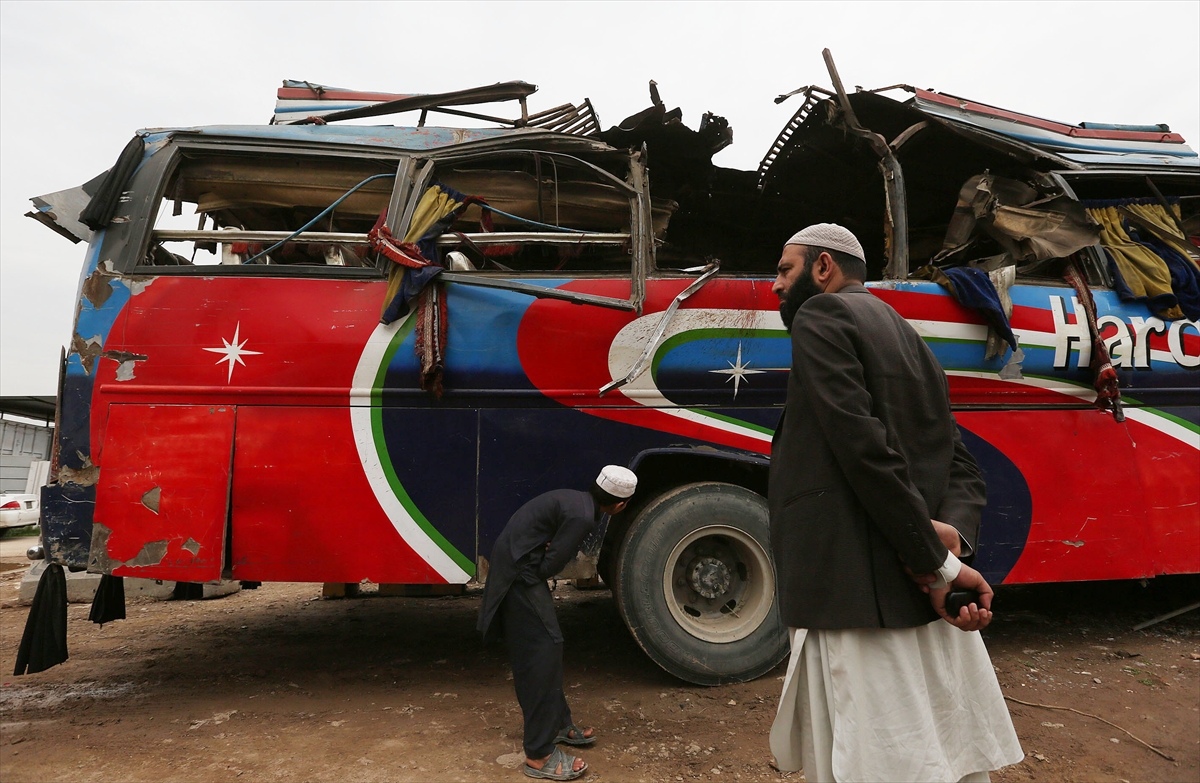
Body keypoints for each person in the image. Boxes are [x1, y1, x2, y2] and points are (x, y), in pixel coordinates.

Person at [766, 224, 1023, 782]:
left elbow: (864, 451)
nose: (774, 286)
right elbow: (960, 464)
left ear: (824, 268)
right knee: (937, 751)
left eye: (785, 270)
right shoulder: (910, 338)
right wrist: (950, 546)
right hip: (910, 593)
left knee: (879, 759)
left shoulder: (821, 318)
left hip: (854, 595)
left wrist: (934, 561)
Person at [478, 465, 637, 781]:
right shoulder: (582, 517)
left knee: (546, 647)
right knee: (543, 650)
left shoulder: (575, 500)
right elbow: (547, 568)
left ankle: (558, 724)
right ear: (620, 505)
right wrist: (547, 554)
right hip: (520, 576)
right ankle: (538, 754)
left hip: (517, 566)